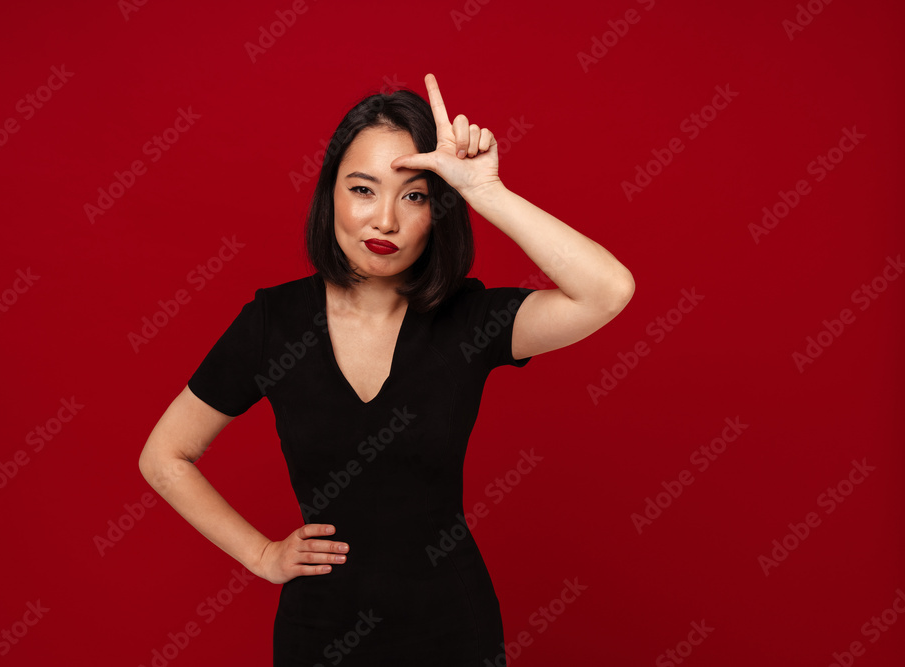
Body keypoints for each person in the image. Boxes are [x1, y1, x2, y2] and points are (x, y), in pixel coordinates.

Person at [139, 73, 634, 666]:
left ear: (438, 209)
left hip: (452, 633)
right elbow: (164, 456)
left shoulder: (468, 319)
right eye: (362, 189)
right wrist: (261, 555)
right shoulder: (274, 323)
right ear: (330, 196)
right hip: (318, 634)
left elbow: (607, 291)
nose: (385, 221)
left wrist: (486, 189)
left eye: (415, 195)